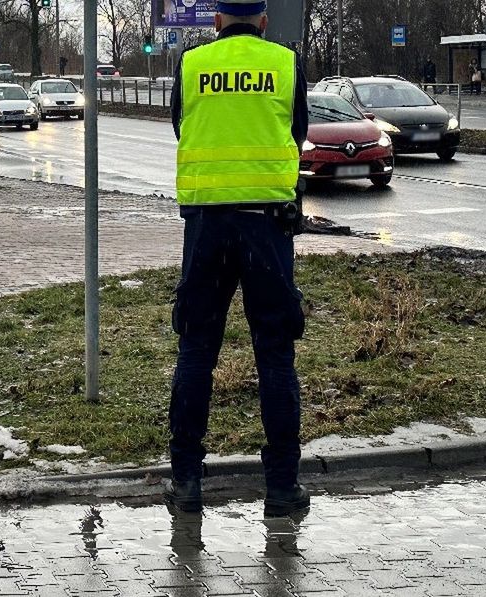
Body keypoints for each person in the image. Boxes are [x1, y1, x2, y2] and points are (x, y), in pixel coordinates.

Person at [166, 0, 310, 518]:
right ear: (264, 21)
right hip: (267, 226)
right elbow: (297, 135)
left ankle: (185, 483)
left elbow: (182, 128)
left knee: (197, 349)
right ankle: (281, 489)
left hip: (205, 226)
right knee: (274, 353)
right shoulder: (286, 63)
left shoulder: (191, 64)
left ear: (217, 20)